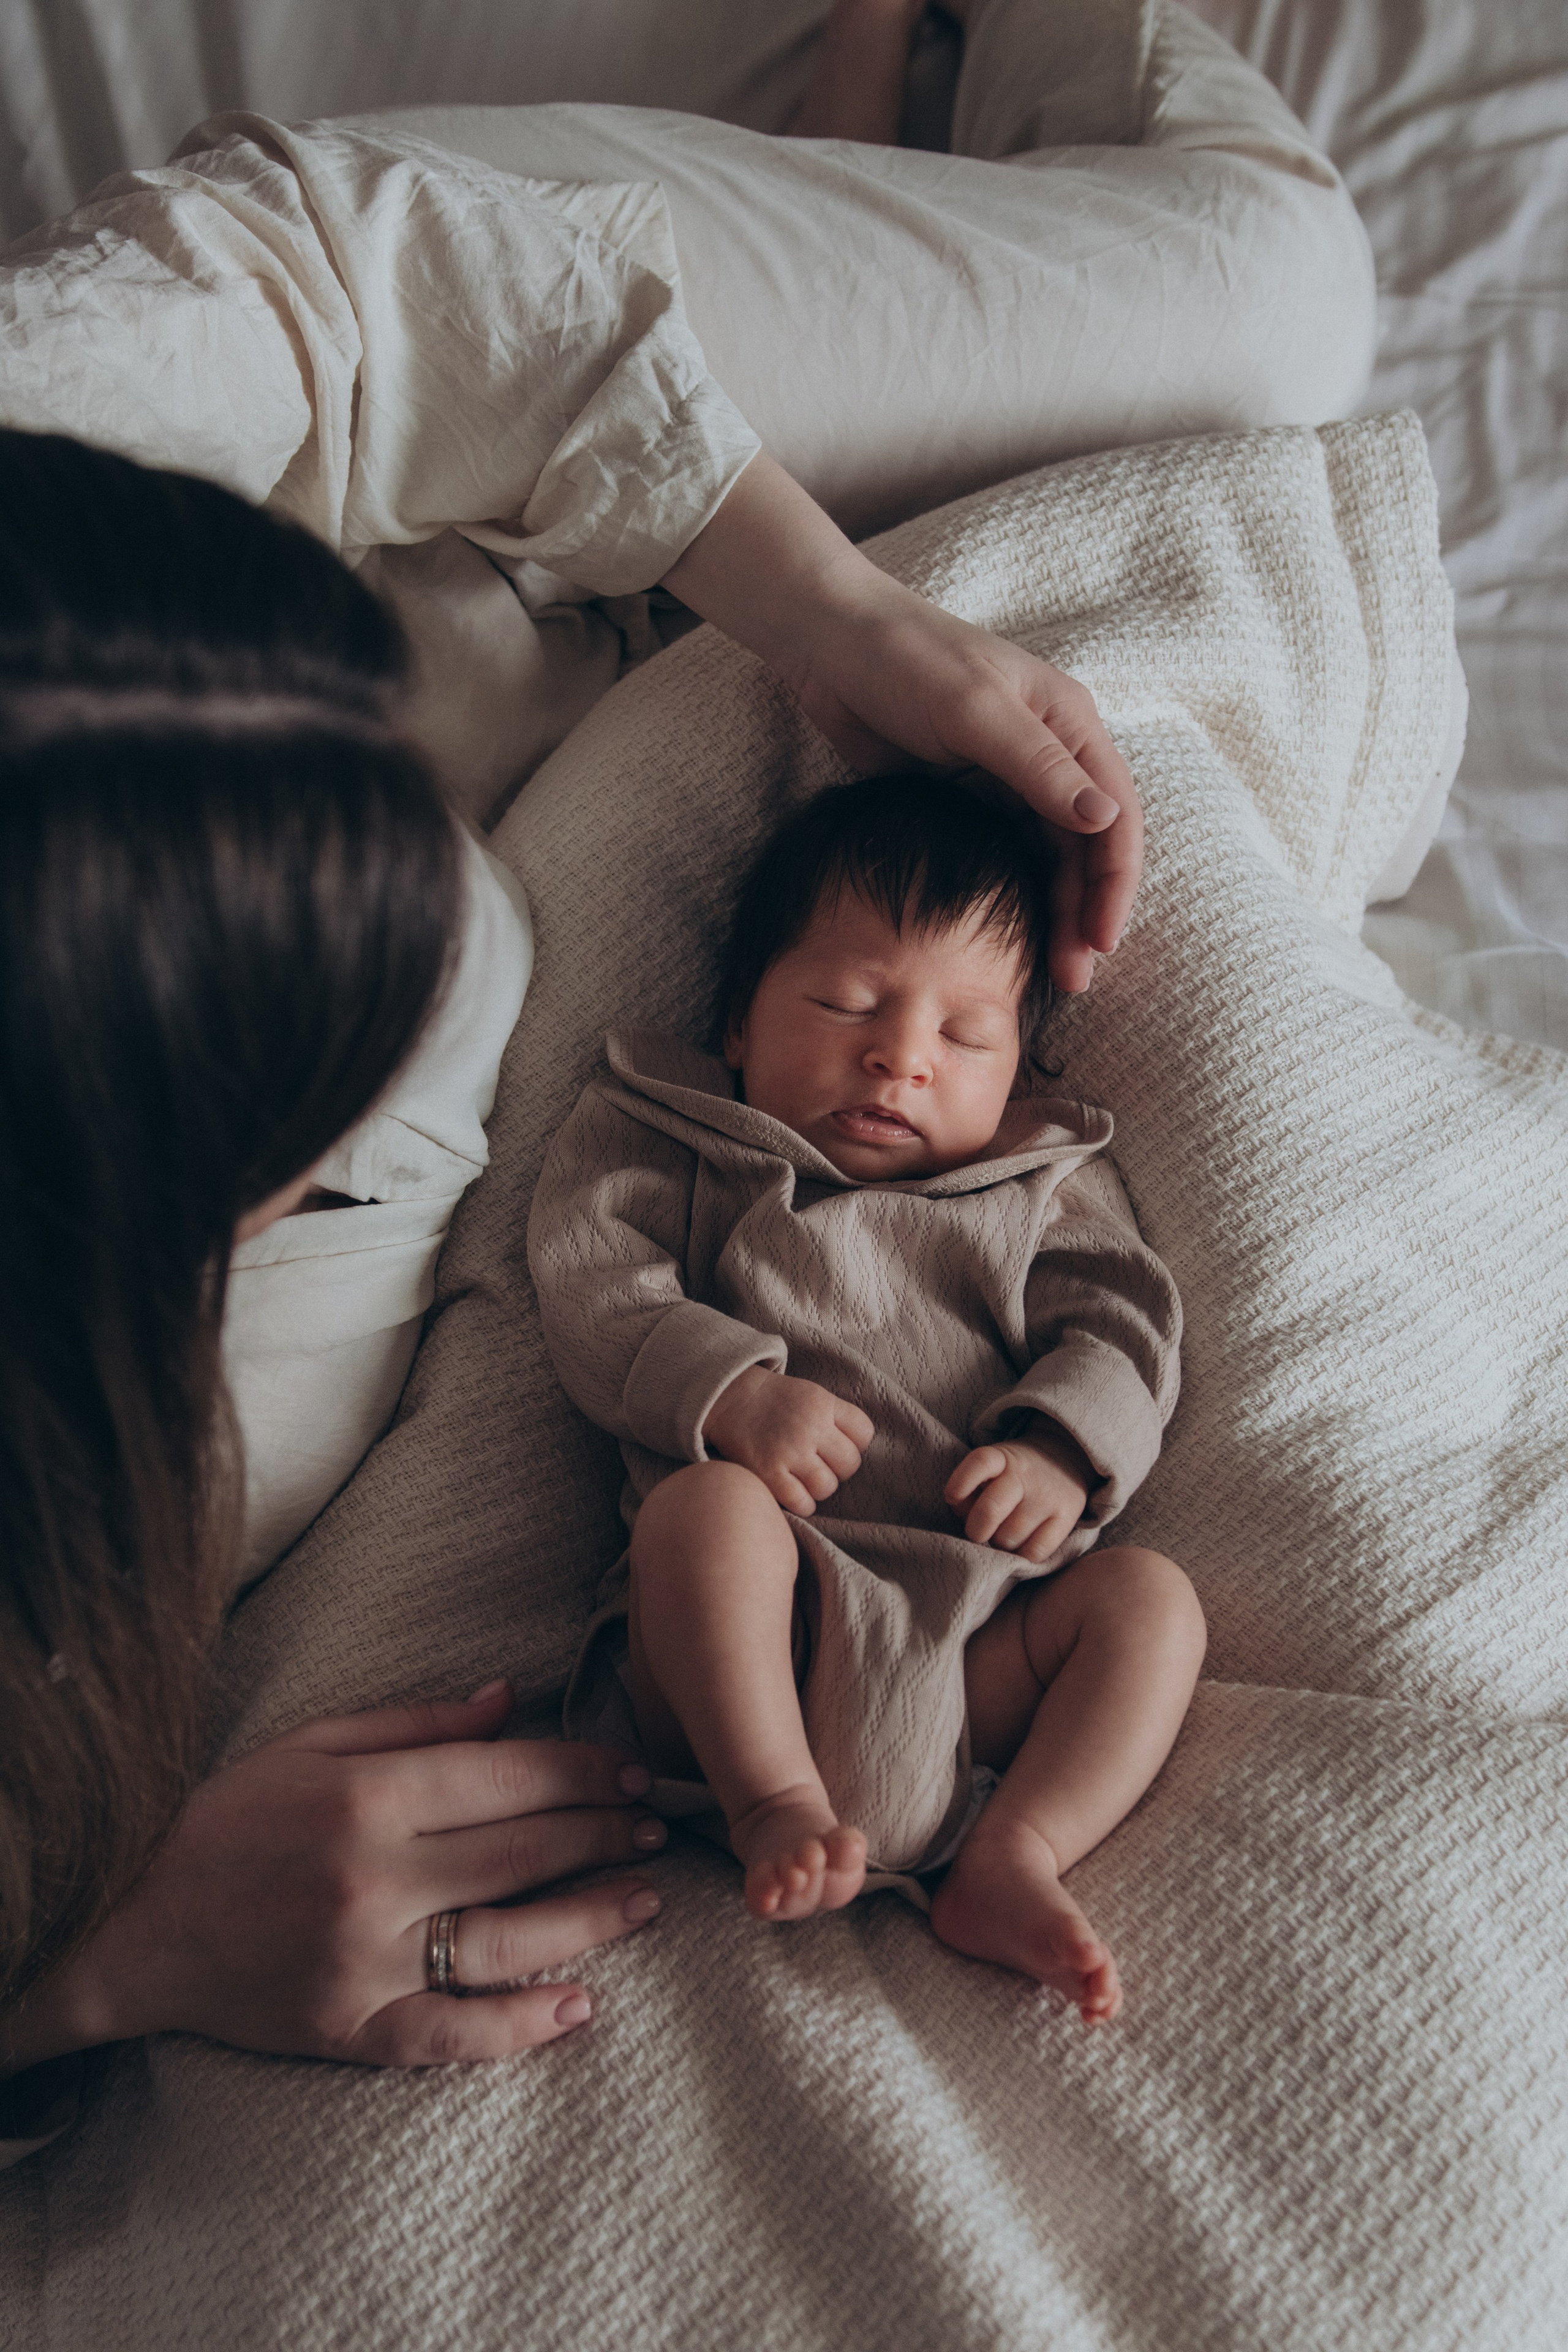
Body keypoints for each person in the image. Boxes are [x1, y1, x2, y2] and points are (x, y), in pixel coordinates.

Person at [529, 778, 1206, 2025]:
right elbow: (591, 1278)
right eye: (847, 1004)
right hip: (743, 1650)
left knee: (1149, 1604)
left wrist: (1061, 1450)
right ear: (737, 1021)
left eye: (967, 1035)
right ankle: (772, 1803)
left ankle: (1015, 1851)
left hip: (976, 1654)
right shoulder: (681, 1140)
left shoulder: (1036, 1188)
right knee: (704, 1518)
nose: (901, 1056)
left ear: (1018, 1068)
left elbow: (1124, 1326)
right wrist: (733, 1393)